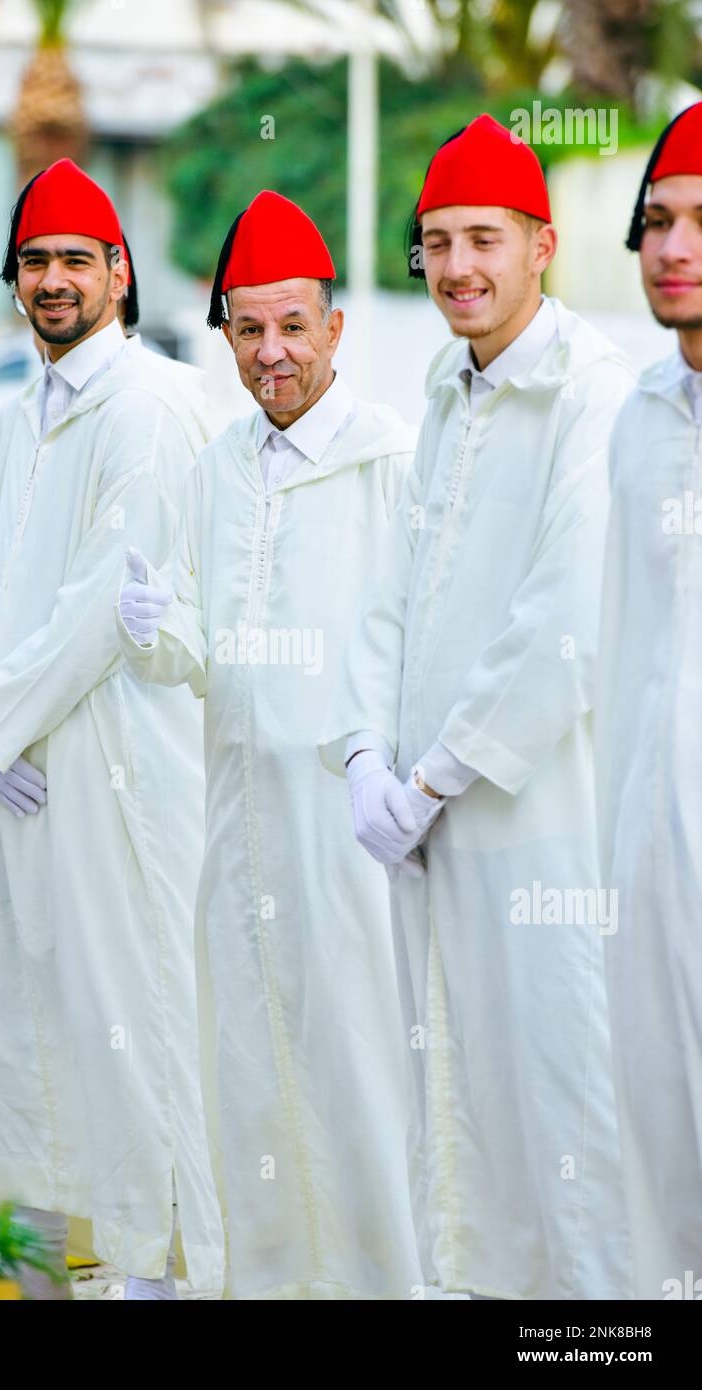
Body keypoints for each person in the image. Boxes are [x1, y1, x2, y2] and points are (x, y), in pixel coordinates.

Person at [320, 115, 635, 1299]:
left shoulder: (593, 395)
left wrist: (436, 774)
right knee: (457, 1107)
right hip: (428, 832)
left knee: (566, 1114)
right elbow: (389, 597)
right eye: (437, 243)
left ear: (542, 245)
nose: (457, 268)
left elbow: (567, 624)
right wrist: (362, 755)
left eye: (483, 240)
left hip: (538, 827)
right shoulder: (447, 392)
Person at [117, 189, 421, 1300]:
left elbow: (416, 633)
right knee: (248, 1066)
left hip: (347, 830)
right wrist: (154, 634)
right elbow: (198, 647)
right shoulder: (213, 467)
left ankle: (389, 1284)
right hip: (233, 814)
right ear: (228, 335)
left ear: (335, 326)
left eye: (293, 325)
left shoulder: (387, 459)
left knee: (358, 1069)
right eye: (249, 329)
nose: (272, 352)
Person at [0, 159, 223, 1300]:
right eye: (35, 263)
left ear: (120, 273)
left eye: (73, 261)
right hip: (14, 770)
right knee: (26, 1012)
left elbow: (107, 602)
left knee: (131, 1015)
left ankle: (162, 1272)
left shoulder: (147, 408)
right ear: (14, 284)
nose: (52, 281)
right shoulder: (16, 414)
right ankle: (62, 1266)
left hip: (116, 775)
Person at [596, 100, 702, 1300]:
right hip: (649, 872)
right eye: (659, 222)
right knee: (660, 1178)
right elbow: (624, 648)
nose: (676, 248)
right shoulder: (638, 422)